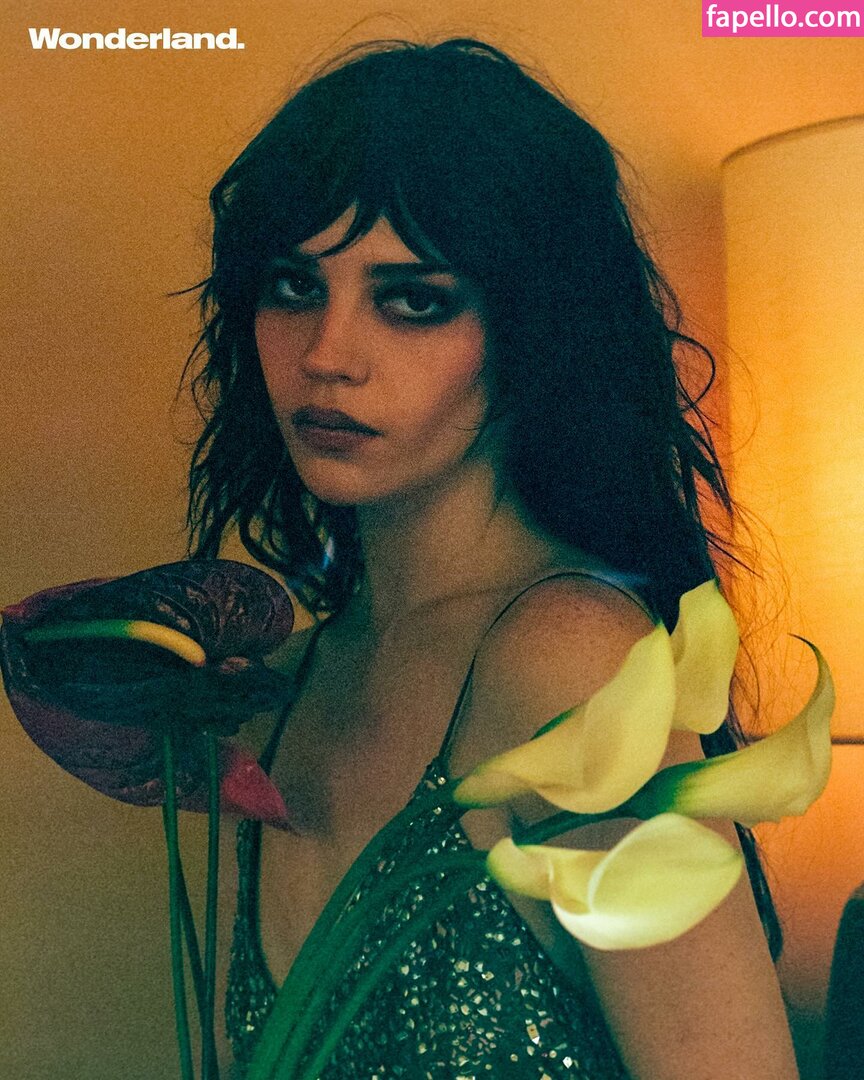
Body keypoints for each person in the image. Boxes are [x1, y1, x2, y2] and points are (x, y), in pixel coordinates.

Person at [182, 37, 799, 1078]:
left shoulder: (570, 658)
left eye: (413, 299)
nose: (327, 354)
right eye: (292, 286)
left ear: (533, 333)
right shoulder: (278, 688)